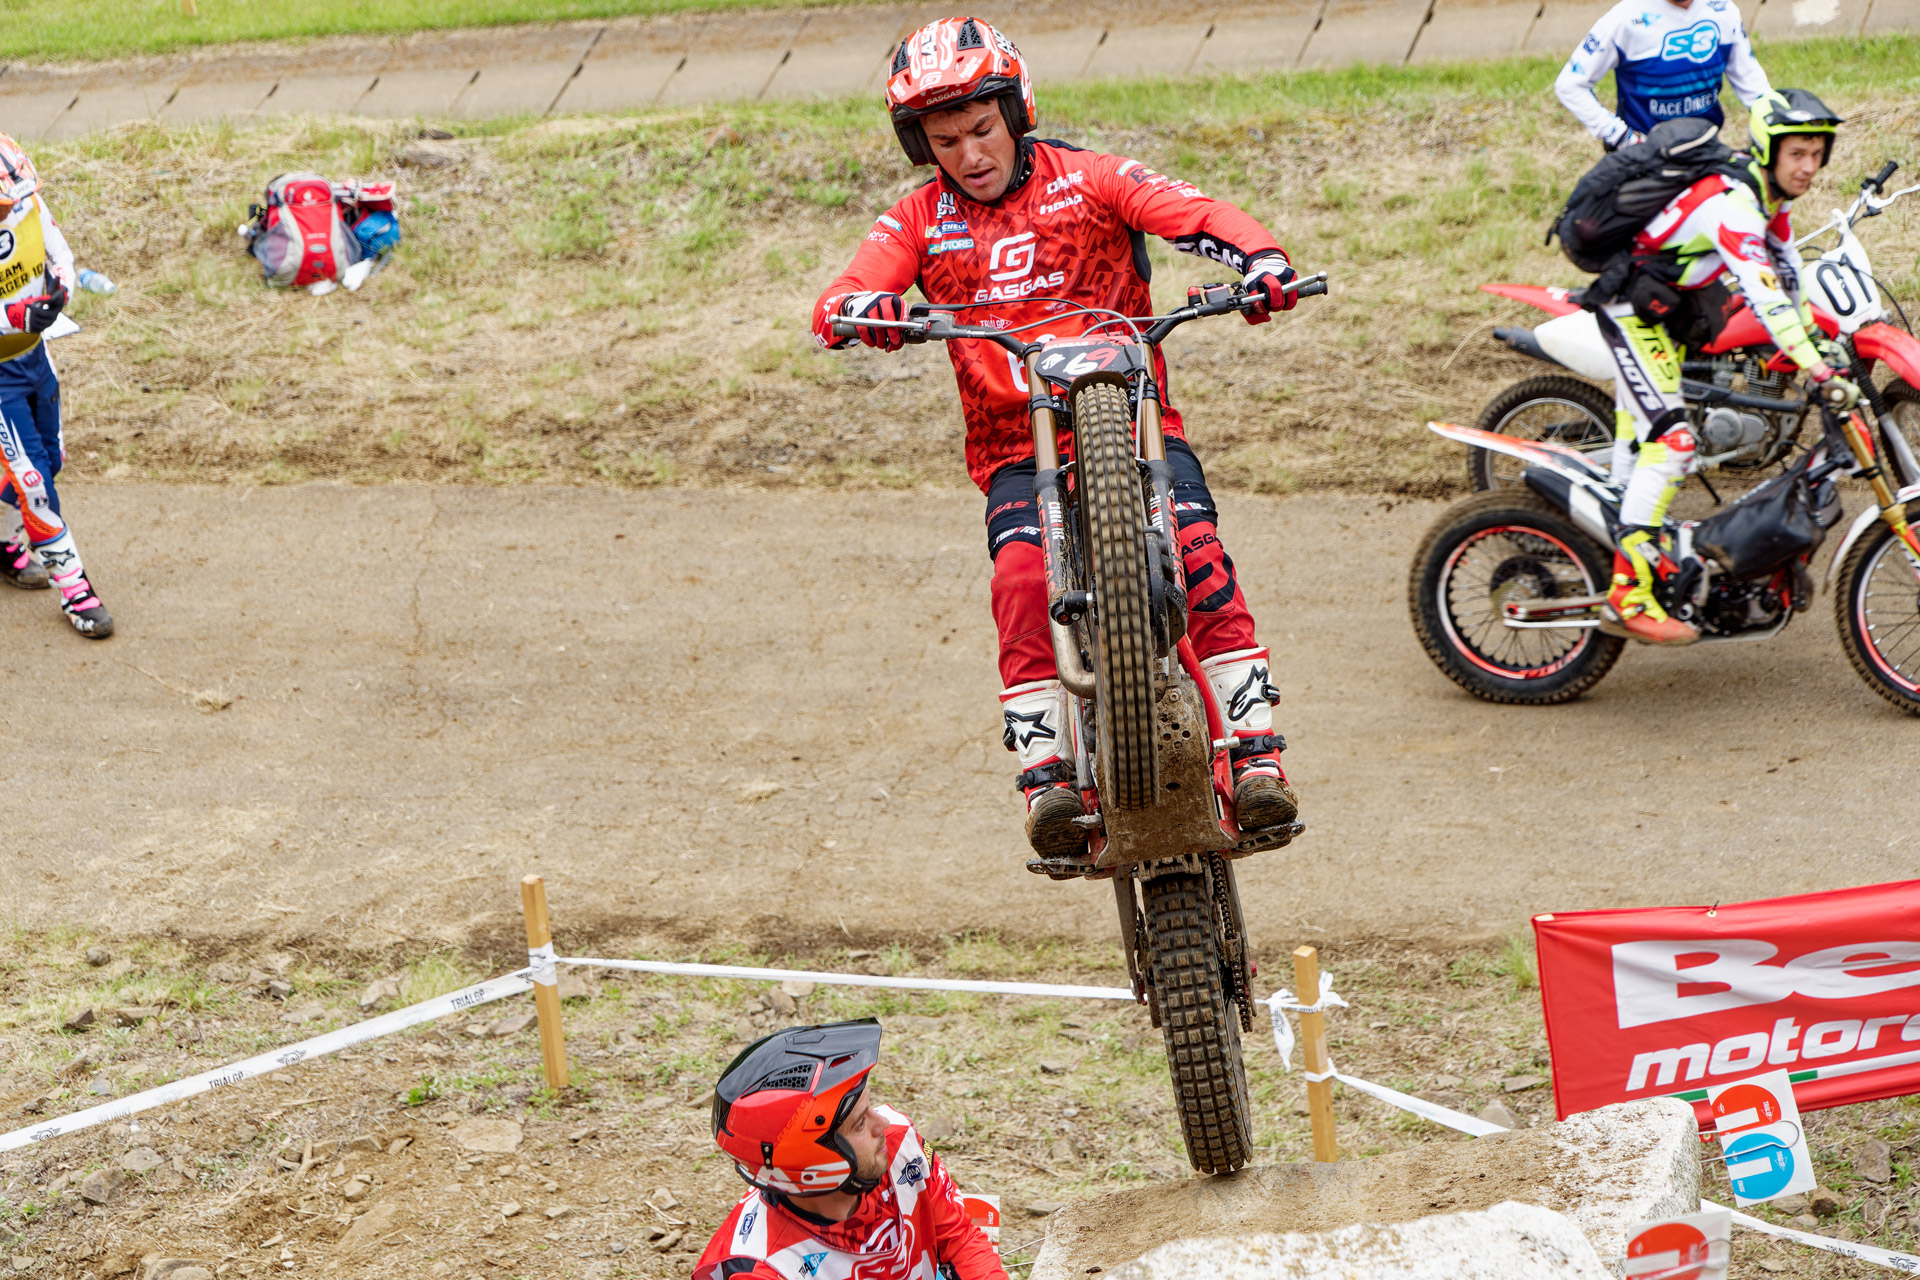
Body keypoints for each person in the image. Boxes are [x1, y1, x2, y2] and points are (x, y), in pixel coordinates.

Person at [811, 15, 1299, 859]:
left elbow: (1194, 213)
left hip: (1136, 424)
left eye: (980, 128)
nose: (968, 153)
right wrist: (867, 313)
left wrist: (1260, 262)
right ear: (920, 144)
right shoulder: (919, 219)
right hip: (1014, 449)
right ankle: (1049, 778)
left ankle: (1258, 758)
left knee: (1198, 547)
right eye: (944, 139)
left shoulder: (1091, 178)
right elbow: (844, 293)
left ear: (1016, 108)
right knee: (1021, 577)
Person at [1597, 90, 1854, 645]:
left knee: (1635, 453)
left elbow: (1789, 275)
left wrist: (1818, 342)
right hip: (1632, 315)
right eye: (1798, 154)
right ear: (1769, 150)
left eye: (1817, 153)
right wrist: (1816, 368)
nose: (1809, 166)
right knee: (1674, 446)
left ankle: (1614, 546)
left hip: (1656, 311)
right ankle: (1627, 593)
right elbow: (1764, 295)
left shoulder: (1770, 202)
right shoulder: (1734, 205)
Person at [695, 1019, 1006, 1280]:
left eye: (869, 1107)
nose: (882, 1122)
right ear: (814, 1165)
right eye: (860, 1123)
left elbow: (960, 1240)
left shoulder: (899, 1145)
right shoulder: (764, 1266)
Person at [0, 132, 110, 638]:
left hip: (35, 360)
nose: (12, 210)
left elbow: (58, 252)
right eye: (4, 205)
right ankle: (76, 590)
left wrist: (62, 288)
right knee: (35, 486)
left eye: (14, 200)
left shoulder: (26, 202)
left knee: (51, 462)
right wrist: (14, 313)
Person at [1555, 0, 1772, 151]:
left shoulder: (1724, 10)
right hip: (1645, 155)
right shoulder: (1624, 18)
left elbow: (1752, 83)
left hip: (1706, 148)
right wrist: (1622, 137)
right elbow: (1570, 85)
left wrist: (1775, 122)